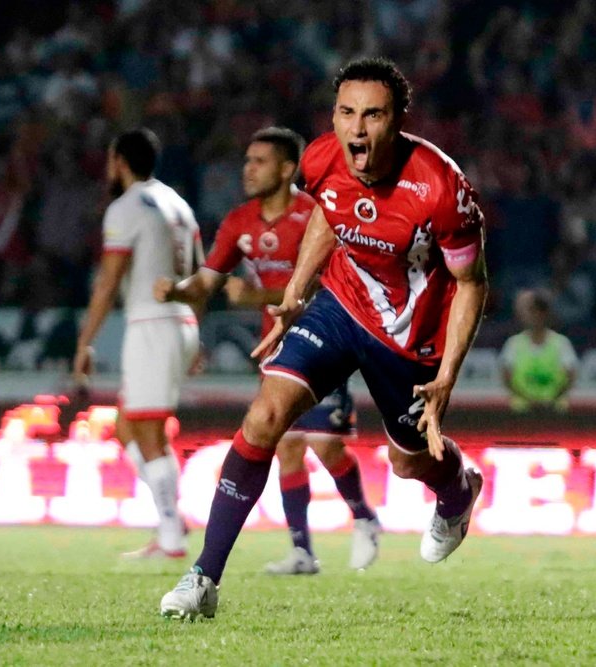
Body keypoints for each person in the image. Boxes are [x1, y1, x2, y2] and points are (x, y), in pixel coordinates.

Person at [158, 57, 488, 620]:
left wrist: (446, 375)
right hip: (340, 305)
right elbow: (329, 217)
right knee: (264, 418)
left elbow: (470, 282)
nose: (357, 129)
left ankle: (457, 490)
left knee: (408, 463)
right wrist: (295, 292)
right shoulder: (320, 158)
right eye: (346, 113)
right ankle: (202, 579)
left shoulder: (439, 186)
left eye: (373, 115)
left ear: (399, 120)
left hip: (410, 338)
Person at [153, 126, 382, 575]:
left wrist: (255, 298)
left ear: (287, 168)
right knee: (289, 446)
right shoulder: (240, 222)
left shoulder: (315, 214)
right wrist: (177, 292)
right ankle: (302, 551)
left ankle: (364, 517)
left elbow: (324, 282)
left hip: (326, 338)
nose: (248, 169)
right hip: (278, 346)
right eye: (247, 160)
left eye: (259, 161)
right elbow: (208, 280)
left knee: (324, 443)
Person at [73, 128, 201, 559]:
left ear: (120, 162)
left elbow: (108, 282)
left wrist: (84, 342)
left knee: (146, 429)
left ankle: (171, 537)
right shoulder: (178, 204)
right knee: (127, 425)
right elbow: (200, 276)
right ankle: (172, 518)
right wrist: (193, 330)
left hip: (151, 324)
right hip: (178, 323)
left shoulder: (126, 207)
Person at [499, 289, 578, 413]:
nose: (537, 316)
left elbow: (571, 377)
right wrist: (528, 400)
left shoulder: (561, 344)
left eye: (541, 312)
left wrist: (551, 400)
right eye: (533, 311)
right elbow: (506, 378)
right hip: (521, 412)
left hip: (554, 412)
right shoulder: (513, 344)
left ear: (547, 315)